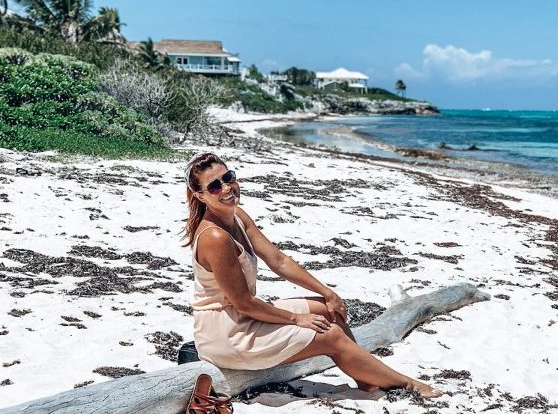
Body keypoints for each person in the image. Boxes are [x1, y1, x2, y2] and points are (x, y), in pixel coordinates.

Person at [185, 152, 441, 398]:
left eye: (228, 178)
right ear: (200, 196)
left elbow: (279, 260)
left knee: (329, 310)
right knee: (328, 334)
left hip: (242, 316)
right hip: (226, 334)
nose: (227, 188)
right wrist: (297, 319)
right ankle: (407, 383)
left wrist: (327, 292)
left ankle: (365, 376)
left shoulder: (236, 215)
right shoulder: (215, 237)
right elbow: (244, 303)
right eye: (215, 186)